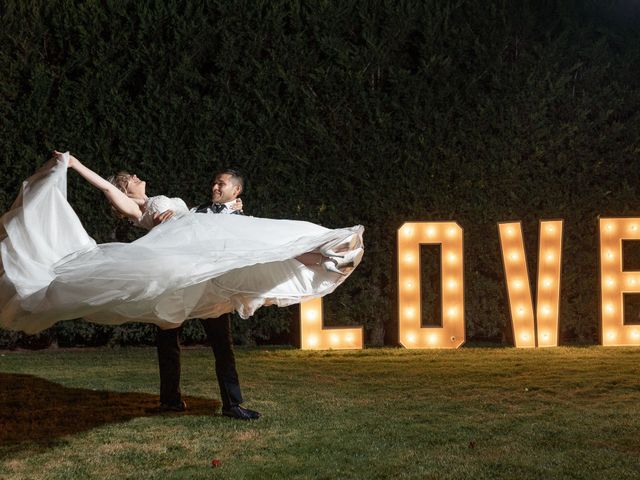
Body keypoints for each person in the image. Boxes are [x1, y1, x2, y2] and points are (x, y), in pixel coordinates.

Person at [0, 151, 364, 371]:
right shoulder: (138, 209)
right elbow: (108, 189)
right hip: (185, 251)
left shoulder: (172, 202)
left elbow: (202, 213)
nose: (138, 179)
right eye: (132, 180)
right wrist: (76, 164)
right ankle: (321, 258)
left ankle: (323, 255)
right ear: (128, 191)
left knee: (262, 243)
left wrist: (225, 212)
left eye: (136, 177)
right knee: (255, 250)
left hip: (201, 237)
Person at [152, 169, 259, 419]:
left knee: (222, 346)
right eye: (213, 183)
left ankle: (232, 404)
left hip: (212, 291)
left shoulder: (242, 218)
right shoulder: (195, 211)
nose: (214, 187)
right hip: (182, 284)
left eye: (221, 184)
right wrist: (172, 219)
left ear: (236, 190)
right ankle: (170, 400)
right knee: (166, 339)